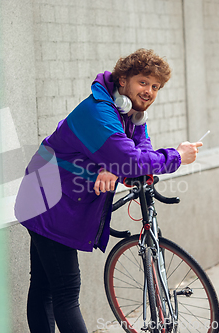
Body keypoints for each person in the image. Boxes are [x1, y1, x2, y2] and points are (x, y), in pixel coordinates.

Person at [14, 48, 202, 333]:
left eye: (155, 87)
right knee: (65, 291)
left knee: (44, 285)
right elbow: (130, 159)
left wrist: (113, 165)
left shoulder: (130, 112)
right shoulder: (99, 111)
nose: (149, 91)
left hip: (58, 197)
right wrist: (175, 156)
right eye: (143, 82)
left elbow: (138, 153)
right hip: (47, 199)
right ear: (123, 80)